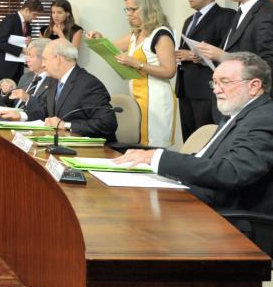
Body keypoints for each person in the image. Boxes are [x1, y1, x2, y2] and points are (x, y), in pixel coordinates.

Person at [115, 53, 273, 217]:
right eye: (215, 83)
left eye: (225, 82)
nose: (216, 90)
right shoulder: (238, 113)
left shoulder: (264, 118)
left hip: (225, 215)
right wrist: (154, 162)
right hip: (200, 198)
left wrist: (158, 158)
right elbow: (206, 160)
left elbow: (231, 172)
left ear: (254, 86)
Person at [86, 0, 176, 147]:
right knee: (138, 144)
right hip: (137, 96)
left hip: (156, 99)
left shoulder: (161, 35)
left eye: (133, 9)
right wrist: (99, 38)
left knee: (152, 145)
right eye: (127, 9)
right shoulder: (135, 34)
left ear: (148, 8)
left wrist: (137, 64)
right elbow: (112, 49)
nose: (129, 14)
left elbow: (169, 71)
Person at [0, 39, 118, 141]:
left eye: (45, 59)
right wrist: (21, 116)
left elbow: (107, 124)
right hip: (60, 142)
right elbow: (46, 113)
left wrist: (66, 125)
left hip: (92, 151)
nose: (43, 65)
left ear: (58, 59)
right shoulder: (55, 81)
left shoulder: (88, 84)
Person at [174, 0, 235, 140]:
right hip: (185, 87)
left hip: (207, 88)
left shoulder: (226, 15)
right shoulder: (189, 20)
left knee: (205, 137)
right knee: (189, 138)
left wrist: (195, 56)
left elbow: (230, 51)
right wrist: (179, 55)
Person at [196, 0, 273, 82]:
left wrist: (224, 56)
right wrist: (207, 57)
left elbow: (268, 65)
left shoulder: (267, 14)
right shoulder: (242, 10)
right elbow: (231, 48)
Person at [0, 0, 43, 82]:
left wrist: (29, 43)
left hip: (18, 69)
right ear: (26, 10)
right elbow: (0, 43)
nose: (36, 17)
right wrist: (21, 50)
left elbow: (24, 45)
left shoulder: (28, 26)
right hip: (2, 68)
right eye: (35, 14)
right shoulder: (10, 20)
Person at [0, 38, 51, 114]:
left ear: (44, 58)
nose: (26, 60)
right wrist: (6, 93)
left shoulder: (54, 81)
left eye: (31, 56)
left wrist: (28, 99)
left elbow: (48, 112)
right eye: (26, 55)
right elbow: (10, 104)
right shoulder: (26, 77)